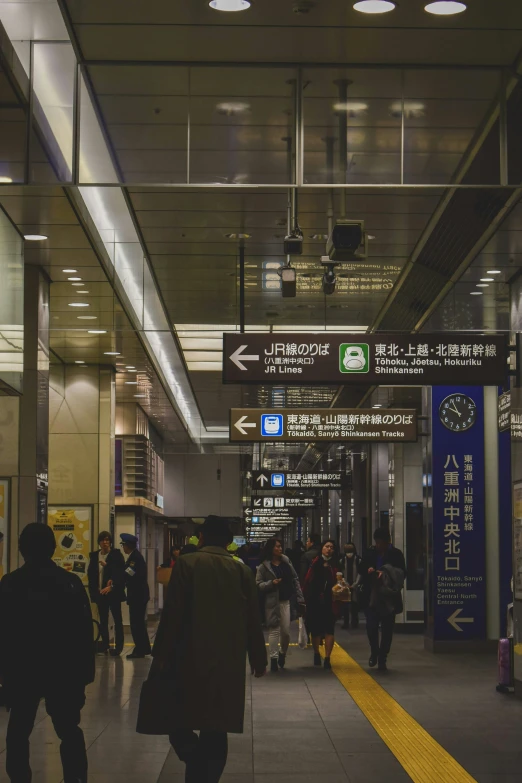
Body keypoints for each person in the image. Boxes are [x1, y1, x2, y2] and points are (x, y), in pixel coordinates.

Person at [150, 515, 267, 783]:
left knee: (178, 721)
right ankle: (206, 774)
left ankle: (196, 762)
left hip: (188, 657)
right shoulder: (242, 571)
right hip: (228, 661)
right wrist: (258, 659)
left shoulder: (186, 564)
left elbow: (173, 613)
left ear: (201, 538)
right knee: (216, 727)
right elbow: (253, 618)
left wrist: (161, 655)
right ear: (228, 543)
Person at [0, 522, 95, 783]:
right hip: (62, 671)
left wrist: (4, 675)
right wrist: (84, 674)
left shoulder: (10, 584)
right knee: (69, 729)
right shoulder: (70, 584)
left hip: (23, 671)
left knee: (18, 731)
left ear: (22, 549)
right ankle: (76, 778)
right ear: (54, 548)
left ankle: (20, 778)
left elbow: (4, 634)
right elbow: (84, 633)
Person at [359, 527, 406, 671]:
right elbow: (361, 569)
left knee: (387, 629)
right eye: (377, 543)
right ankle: (374, 651)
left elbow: (402, 573)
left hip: (388, 598)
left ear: (388, 542)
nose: (379, 546)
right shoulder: (369, 553)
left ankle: (383, 657)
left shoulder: (396, 554)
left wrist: (387, 573)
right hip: (372, 596)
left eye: (382, 543)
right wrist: (369, 571)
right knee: (371, 627)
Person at [256, 538, 305, 672]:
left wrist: (300, 598)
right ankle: (273, 659)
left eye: (280, 546)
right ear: (271, 548)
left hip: (285, 601)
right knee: (274, 631)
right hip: (271, 602)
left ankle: (282, 653)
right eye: (277, 546)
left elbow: (295, 579)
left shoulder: (286, 562)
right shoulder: (263, 566)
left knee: (286, 632)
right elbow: (258, 584)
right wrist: (272, 583)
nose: (280, 548)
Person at [303, 539, 340, 670]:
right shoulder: (315, 562)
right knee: (316, 630)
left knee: (330, 629)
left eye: (332, 547)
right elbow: (308, 580)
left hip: (331, 601)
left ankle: (328, 658)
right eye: (326, 546)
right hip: (315, 601)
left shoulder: (336, 564)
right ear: (322, 548)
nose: (329, 549)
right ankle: (317, 653)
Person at [88, 530, 126, 657]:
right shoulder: (94, 556)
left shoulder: (116, 555)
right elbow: (91, 575)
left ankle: (119, 647)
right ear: (99, 542)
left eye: (107, 540)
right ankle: (105, 645)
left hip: (113, 593)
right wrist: (93, 593)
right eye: (103, 540)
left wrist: (107, 566)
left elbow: (120, 572)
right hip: (100, 593)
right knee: (103, 620)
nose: (105, 542)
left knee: (117, 620)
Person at [120, 532, 151, 659]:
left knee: (136, 624)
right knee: (139, 623)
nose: (123, 548)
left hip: (137, 595)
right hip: (139, 595)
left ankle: (140, 650)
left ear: (127, 546)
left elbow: (131, 574)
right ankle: (144, 648)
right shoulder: (135, 556)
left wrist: (121, 572)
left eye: (123, 545)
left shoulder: (135, 558)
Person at [339, 542, 361, 630]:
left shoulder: (358, 560)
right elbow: (341, 574)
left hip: (355, 586)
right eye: (347, 551)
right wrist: (345, 584)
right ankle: (346, 622)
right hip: (345, 586)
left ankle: (354, 622)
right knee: (345, 605)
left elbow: (360, 573)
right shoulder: (342, 560)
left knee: (354, 605)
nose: (349, 553)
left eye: (350, 551)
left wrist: (355, 584)